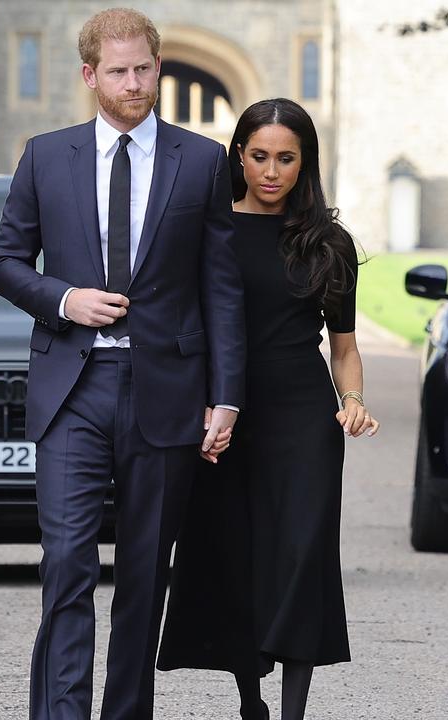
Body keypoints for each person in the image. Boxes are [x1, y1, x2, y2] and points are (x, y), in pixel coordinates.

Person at [0, 8, 246, 720]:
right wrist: (65, 298)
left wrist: (227, 397)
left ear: (158, 66)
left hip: (166, 390)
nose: (135, 84)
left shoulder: (201, 161)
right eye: (119, 72)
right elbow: (5, 263)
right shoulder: (46, 156)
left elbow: (220, 288)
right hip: (73, 388)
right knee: (67, 564)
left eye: (145, 69)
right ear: (89, 76)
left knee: (143, 575)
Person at [157, 98, 379, 720]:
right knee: (234, 553)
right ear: (238, 156)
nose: (272, 171)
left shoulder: (328, 242)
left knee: (301, 556)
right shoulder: (209, 228)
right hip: (224, 415)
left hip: (304, 417)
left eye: (286, 158)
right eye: (259, 157)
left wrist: (353, 401)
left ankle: (292, 711)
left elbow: (344, 347)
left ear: (305, 163)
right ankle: (250, 700)